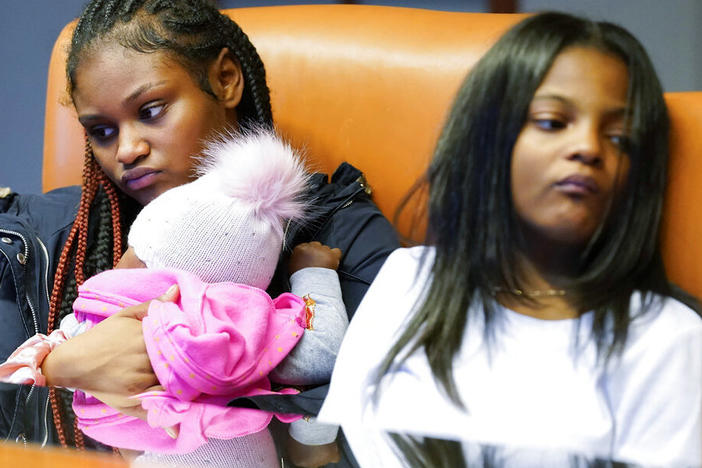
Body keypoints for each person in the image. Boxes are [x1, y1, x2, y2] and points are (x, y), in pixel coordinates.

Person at [0, 0, 399, 465]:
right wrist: (63, 363)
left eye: (151, 110)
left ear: (225, 79)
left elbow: (384, 411)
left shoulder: (339, 235)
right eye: (102, 131)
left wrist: (182, 360)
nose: (127, 150)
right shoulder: (44, 238)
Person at [319, 11, 702, 468]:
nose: (589, 147)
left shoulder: (671, 340)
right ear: (486, 141)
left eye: (620, 138)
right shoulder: (406, 283)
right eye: (552, 122)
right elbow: (339, 448)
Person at [0, 129, 347, 466]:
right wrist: (314, 273)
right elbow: (321, 351)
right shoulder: (240, 333)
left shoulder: (224, 327)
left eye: (140, 254)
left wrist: (51, 363)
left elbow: (14, 388)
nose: (121, 261)